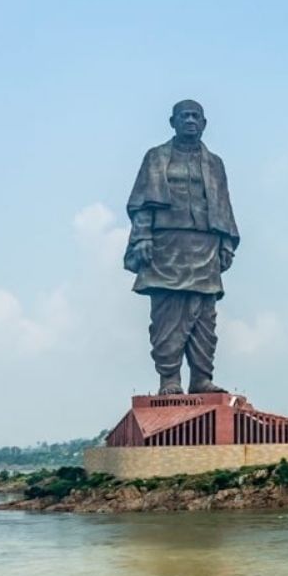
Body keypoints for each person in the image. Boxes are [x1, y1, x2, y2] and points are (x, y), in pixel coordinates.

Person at [125, 100, 239, 395]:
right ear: (172, 122)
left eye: (195, 116)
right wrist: (142, 237)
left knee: (204, 315)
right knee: (167, 315)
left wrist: (226, 244)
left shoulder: (215, 164)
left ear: (204, 123)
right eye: (184, 116)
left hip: (205, 246)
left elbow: (224, 207)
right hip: (166, 246)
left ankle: (201, 377)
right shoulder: (156, 157)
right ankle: (169, 380)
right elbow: (141, 205)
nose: (190, 121)